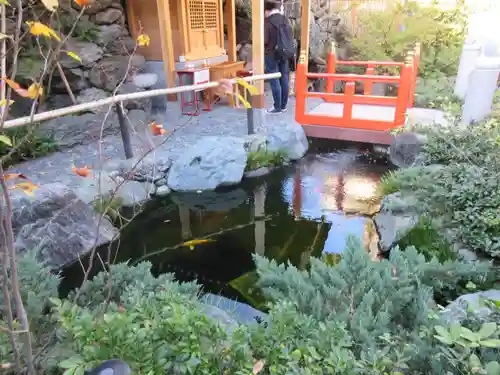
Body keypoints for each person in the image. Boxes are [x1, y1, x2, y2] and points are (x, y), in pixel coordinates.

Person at [264, 0, 293, 114]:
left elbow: (265, 40)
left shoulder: (268, 22)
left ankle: (277, 107)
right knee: (284, 77)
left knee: (274, 79)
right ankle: (283, 106)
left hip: (271, 54)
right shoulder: (285, 20)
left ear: (267, 11)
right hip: (284, 53)